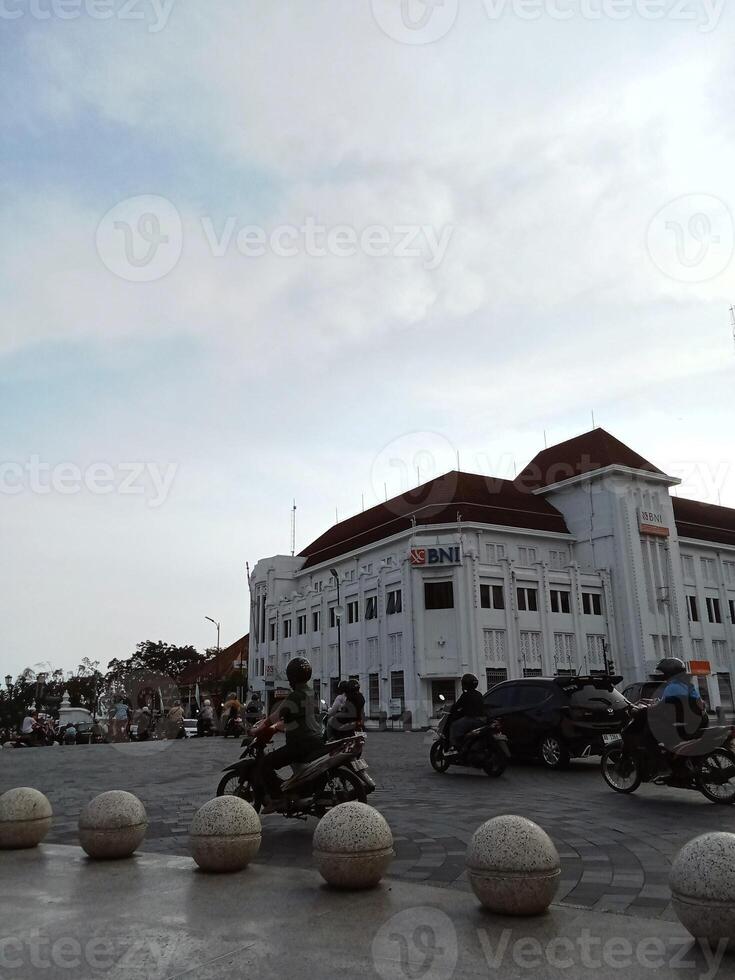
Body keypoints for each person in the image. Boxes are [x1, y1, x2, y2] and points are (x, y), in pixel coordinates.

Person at [255, 657, 324, 812]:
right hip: (316, 740)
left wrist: (258, 729)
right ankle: (297, 793)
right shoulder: (312, 693)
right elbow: (300, 717)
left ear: (291, 676)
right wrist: (280, 726)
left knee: (265, 763)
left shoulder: (296, 695)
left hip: (300, 744)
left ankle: (277, 798)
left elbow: (277, 715)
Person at [445, 674, 486, 753]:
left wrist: (451, 710)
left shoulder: (466, 695)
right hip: (483, 719)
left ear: (465, 684)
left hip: (472, 719)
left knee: (454, 726)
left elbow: (457, 706)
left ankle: (454, 747)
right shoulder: (479, 694)